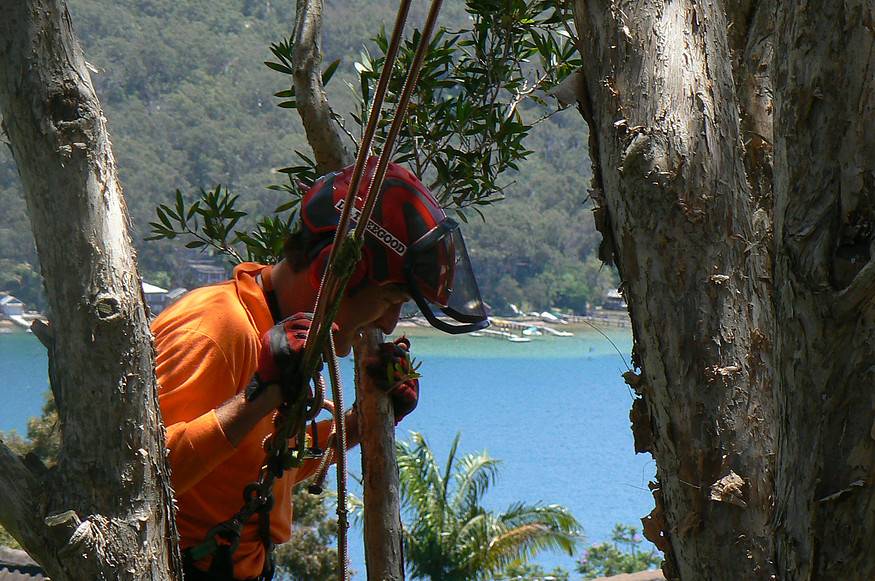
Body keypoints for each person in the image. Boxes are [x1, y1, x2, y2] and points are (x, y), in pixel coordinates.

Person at [152, 159, 488, 580]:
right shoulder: (218, 331)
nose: (388, 324)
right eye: (388, 301)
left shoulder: (280, 337)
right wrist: (258, 397)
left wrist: (360, 423)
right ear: (331, 272)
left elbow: (261, 466)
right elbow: (137, 481)